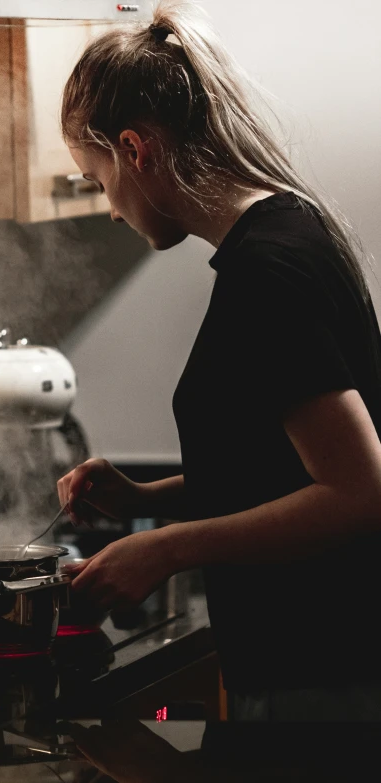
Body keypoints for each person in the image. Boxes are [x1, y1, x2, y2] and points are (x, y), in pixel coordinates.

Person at [57, 0, 381, 722]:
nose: (109, 208)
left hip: (324, 682)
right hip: (320, 670)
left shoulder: (267, 271)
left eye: (97, 178)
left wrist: (165, 549)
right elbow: (284, 465)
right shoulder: (290, 230)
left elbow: (358, 489)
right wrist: (146, 499)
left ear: (137, 150)